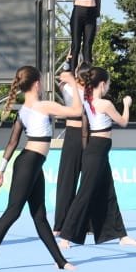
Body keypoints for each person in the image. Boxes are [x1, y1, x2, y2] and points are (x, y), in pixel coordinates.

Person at [0, 65, 81, 272]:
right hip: (28, 163)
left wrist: (1, 169)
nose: (42, 84)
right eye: (41, 81)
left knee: (39, 216)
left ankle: (60, 261)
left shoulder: (24, 110)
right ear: (36, 84)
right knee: (13, 212)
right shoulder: (42, 106)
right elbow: (77, 111)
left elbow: (12, 143)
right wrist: (72, 83)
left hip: (33, 164)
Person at [58, 67, 136, 248]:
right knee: (84, 193)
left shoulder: (87, 101)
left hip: (99, 150)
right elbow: (123, 122)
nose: (109, 87)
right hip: (97, 149)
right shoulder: (104, 103)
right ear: (102, 84)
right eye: (108, 83)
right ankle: (66, 236)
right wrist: (126, 104)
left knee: (109, 193)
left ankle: (121, 234)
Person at [52, 68, 87, 237]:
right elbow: (77, 107)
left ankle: (88, 223)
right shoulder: (68, 88)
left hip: (89, 137)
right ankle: (60, 224)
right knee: (67, 181)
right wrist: (69, 65)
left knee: (89, 181)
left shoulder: (93, 93)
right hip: (73, 137)